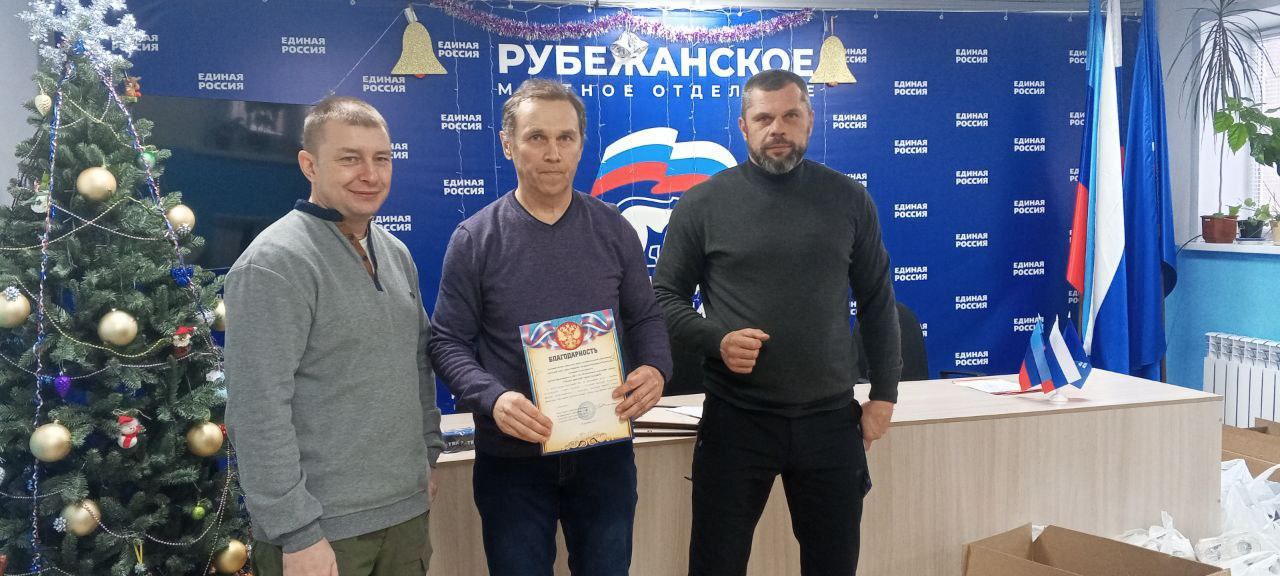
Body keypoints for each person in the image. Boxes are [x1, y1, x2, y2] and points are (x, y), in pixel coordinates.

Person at [652, 69, 903, 576]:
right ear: (744, 127)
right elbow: (663, 299)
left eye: (790, 115)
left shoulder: (849, 199)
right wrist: (717, 340)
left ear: (810, 119)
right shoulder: (702, 203)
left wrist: (884, 395)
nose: (778, 129)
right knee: (716, 566)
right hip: (736, 421)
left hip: (831, 422)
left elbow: (878, 301)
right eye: (764, 118)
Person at [428, 78, 672, 575]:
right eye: (536, 137)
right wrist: (494, 398)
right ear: (508, 144)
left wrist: (655, 368)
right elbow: (447, 341)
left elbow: (645, 316)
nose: (553, 153)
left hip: (605, 452)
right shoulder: (475, 239)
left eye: (566, 138)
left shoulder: (615, 229)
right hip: (511, 461)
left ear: (581, 143)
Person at [224, 96, 443, 576]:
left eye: (381, 159)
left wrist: (427, 456)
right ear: (309, 165)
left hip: (405, 515)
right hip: (322, 533)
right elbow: (257, 409)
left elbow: (417, 365)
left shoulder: (396, 253)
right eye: (349, 159)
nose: (370, 174)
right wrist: (296, 532)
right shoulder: (274, 263)